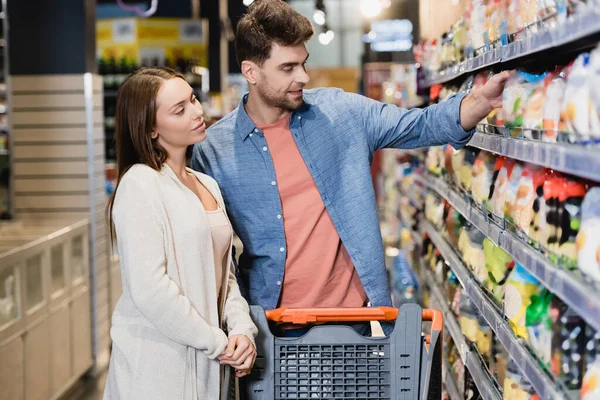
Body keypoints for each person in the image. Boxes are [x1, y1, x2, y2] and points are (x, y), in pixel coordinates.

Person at [192, 0, 510, 336]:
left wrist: (481, 102)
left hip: (351, 323)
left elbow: (419, 125)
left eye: (303, 63)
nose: (303, 76)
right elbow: (206, 253)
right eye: (288, 68)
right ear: (251, 72)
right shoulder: (214, 150)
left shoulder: (341, 112)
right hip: (271, 329)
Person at [103, 67, 257, 400]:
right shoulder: (140, 185)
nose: (197, 111)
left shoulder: (207, 184)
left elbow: (225, 275)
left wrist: (242, 328)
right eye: (180, 109)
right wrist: (217, 343)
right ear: (152, 129)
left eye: (193, 100)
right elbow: (149, 290)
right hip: (158, 372)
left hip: (208, 364)